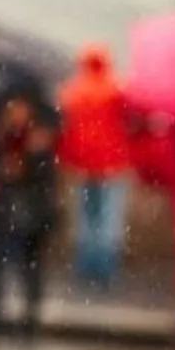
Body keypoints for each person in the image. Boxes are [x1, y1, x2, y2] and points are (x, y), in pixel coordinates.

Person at [0, 93, 58, 336]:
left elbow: (46, 180)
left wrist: (29, 163)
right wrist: (2, 173)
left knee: (30, 261)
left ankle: (30, 315)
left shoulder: (39, 141)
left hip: (30, 211)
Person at [56, 44, 132, 289]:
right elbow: (133, 119)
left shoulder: (72, 92)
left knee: (86, 218)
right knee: (109, 219)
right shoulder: (116, 90)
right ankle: (106, 270)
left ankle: (85, 267)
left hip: (83, 164)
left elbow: (64, 130)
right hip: (113, 163)